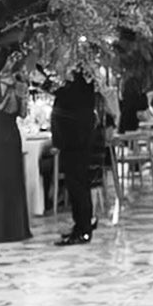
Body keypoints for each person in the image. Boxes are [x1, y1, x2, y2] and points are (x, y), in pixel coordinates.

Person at [50, 67, 97, 246]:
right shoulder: (79, 81)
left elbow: (66, 96)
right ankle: (81, 225)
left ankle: (83, 229)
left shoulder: (79, 82)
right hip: (73, 136)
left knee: (77, 183)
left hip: (74, 137)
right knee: (76, 183)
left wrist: (45, 83)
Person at [0, 68, 31, 243]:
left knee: (3, 181)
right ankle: (15, 228)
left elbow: (19, 112)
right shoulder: (18, 83)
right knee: (8, 181)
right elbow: (23, 113)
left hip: (1, 135)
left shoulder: (15, 83)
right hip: (10, 135)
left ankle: (2, 229)